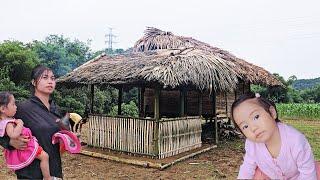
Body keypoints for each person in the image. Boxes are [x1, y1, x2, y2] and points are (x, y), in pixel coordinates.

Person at [231, 92, 320, 179]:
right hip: (271, 176)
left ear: (272, 113)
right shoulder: (251, 144)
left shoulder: (296, 140)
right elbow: (247, 169)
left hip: (299, 175)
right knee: (257, 174)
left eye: (256, 117)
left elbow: (308, 174)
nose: (253, 128)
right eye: (245, 126)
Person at [0, 65, 63, 179]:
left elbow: (61, 136)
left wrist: (70, 139)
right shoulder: (22, 108)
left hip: (54, 170)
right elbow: (2, 126)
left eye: (53, 78)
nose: (50, 81)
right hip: (30, 174)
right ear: (34, 82)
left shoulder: (56, 109)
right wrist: (9, 142)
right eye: (45, 77)